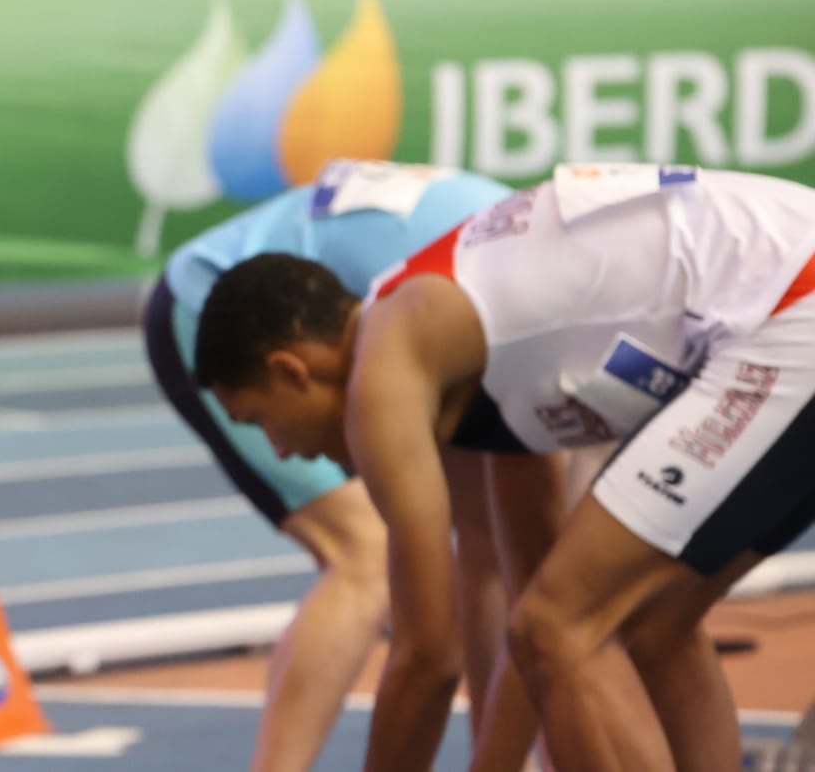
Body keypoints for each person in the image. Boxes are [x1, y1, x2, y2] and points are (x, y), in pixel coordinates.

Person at [193, 164, 815, 772]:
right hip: (780, 294)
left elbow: (429, 654)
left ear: (290, 371)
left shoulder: (385, 369)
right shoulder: (477, 367)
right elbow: (530, 630)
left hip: (786, 305)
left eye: (258, 420)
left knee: (562, 627)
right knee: (637, 623)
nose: (280, 453)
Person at [144, 158, 527, 772]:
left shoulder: (490, 290)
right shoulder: (471, 296)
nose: (284, 451)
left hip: (370, 304)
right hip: (213, 308)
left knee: (498, 552)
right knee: (364, 553)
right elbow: (433, 651)